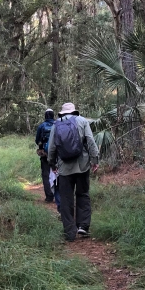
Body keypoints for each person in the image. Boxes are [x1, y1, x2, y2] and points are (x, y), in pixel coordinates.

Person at [47, 102, 99, 242]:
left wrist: (52, 164)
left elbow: (51, 147)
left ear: (62, 113)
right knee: (83, 194)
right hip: (82, 166)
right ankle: (83, 226)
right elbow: (90, 141)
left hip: (64, 168)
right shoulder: (82, 121)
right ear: (74, 111)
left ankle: (70, 232)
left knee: (66, 199)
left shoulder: (56, 124)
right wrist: (95, 160)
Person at [35, 109, 56, 202]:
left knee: (46, 174)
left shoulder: (42, 126)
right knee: (58, 173)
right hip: (57, 153)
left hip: (45, 154)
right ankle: (59, 194)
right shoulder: (58, 124)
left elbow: (37, 140)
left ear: (45, 116)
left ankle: (49, 197)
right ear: (53, 115)